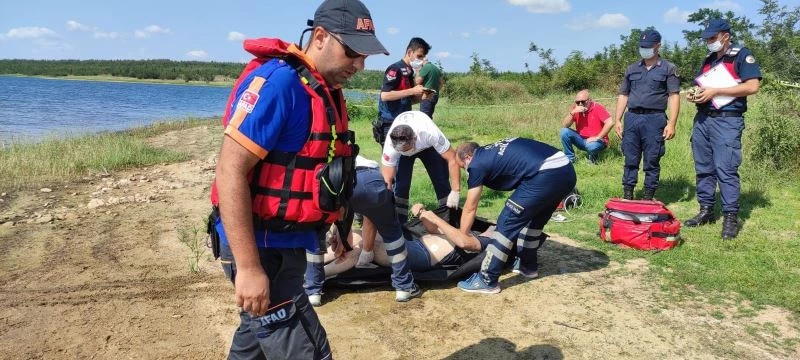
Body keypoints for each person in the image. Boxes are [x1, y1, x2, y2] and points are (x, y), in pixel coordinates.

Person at [210, 1, 388, 358]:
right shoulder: (279, 84)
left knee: (253, 345)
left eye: (365, 55)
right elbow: (229, 171)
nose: (360, 64)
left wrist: (338, 223)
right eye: (352, 51)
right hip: (264, 250)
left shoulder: (324, 90)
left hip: (285, 243)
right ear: (320, 37)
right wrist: (248, 268)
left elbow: (326, 170)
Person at [453, 138, 576, 294]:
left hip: (545, 173)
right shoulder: (491, 152)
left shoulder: (476, 164)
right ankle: (527, 266)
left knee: (507, 221)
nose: (466, 170)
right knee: (533, 220)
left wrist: (463, 235)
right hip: (566, 170)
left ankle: (486, 279)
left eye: (463, 166)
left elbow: (470, 207)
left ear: (468, 157)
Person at [305, 156, 421, 305]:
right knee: (392, 234)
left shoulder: (322, 158)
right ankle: (404, 287)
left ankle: (313, 291)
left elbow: (344, 214)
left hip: (329, 186)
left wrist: (343, 243)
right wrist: (345, 245)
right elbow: (363, 219)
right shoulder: (354, 157)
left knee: (316, 233)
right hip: (370, 181)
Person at [685, 19, 761, 240]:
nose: (709, 42)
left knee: (726, 169)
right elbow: (703, 87)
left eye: (712, 38)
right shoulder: (709, 59)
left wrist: (715, 91)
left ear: (725, 36)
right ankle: (706, 210)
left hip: (727, 121)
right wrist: (696, 95)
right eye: (707, 39)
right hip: (703, 119)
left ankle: (730, 217)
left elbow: (752, 86)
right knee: (704, 167)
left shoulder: (742, 55)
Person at [613, 29, 681, 200]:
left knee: (652, 159)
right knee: (630, 158)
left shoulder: (668, 68)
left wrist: (671, 123)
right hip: (632, 117)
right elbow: (624, 95)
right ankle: (628, 194)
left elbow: (674, 96)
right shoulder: (631, 69)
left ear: (658, 46)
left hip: (655, 119)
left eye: (648, 46)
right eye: (642, 46)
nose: (645, 49)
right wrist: (617, 120)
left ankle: (648, 196)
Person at [381, 110, 461, 224]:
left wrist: (455, 190)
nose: (407, 152)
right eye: (402, 150)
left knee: (441, 180)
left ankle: (450, 216)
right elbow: (387, 180)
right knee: (401, 185)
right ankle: (399, 222)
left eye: (407, 149)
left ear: (414, 139)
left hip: (427, 147)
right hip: (403, 150)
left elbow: (452, 158)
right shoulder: (391, 146)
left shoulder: (429, 133)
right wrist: (386, 203)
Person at [373, 37, 430, 144]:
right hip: (390, 122)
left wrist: (422, 97)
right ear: (409, 52)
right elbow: (385, 96)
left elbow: (407, 100)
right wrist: (412, 91)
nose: (421, 60)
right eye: (419, 56)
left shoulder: (409, 72)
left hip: (404, 121)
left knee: (403, 157)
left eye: (423, 58)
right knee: (391, 159)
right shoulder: (395, 69)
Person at [559, 89, 614, 164]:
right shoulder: (576, 109)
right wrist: (573, 112)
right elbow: (565, 125)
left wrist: (597, 137)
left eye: (583, 101)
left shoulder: (597, 108)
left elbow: (610, 122)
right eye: (578, 102)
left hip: (598, 141)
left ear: (589, 100)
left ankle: (593, 159)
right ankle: (570, 159)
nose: (580, 104)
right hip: (581, 139)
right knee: (564, 131)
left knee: (591, 146)